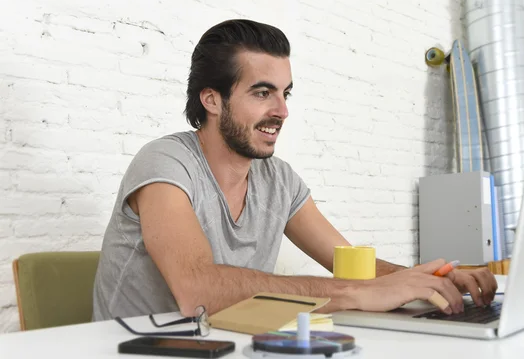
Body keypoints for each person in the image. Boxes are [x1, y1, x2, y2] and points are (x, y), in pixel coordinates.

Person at [92, 19, 497, 322]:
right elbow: (197, 290)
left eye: (284, 94)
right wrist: (360, 294)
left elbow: (349, 264)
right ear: (212, 100)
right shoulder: (166, 163)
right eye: (262, 92)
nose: (282, 111)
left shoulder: (278, 180)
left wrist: (433, 279)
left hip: (224, 344)